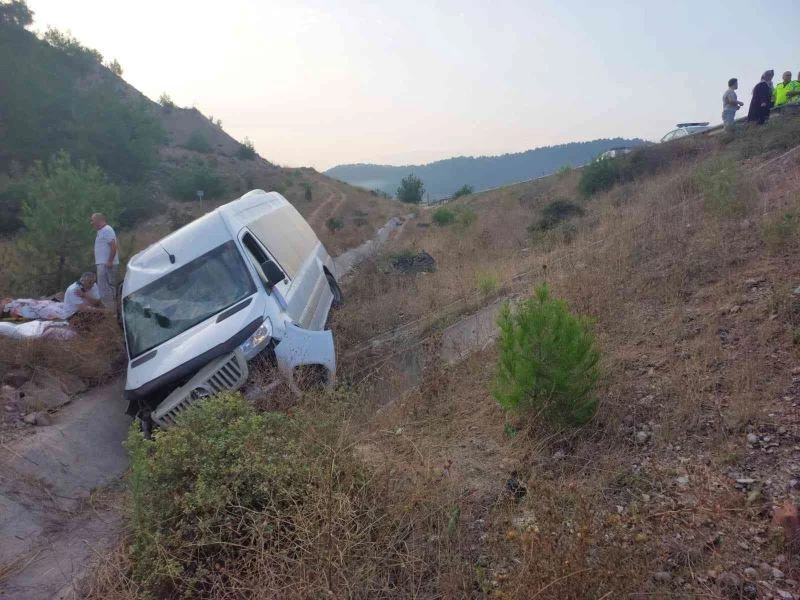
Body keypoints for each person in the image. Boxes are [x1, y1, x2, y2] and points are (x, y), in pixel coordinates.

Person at [91, 212, 119, 309]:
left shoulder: (107, 230)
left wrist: (110, 261)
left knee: (106, 288)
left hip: (106, 264)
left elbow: (113, 246)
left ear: (99, 220)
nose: (92, 223)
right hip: (102, 264)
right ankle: (109, 309)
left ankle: (111, 310)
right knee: (103, 288)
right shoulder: (100, 231)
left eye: (93, 220)